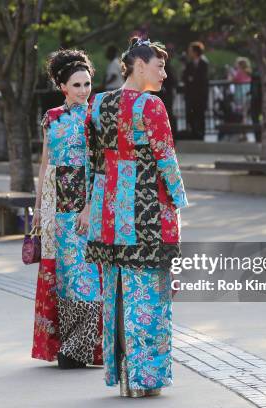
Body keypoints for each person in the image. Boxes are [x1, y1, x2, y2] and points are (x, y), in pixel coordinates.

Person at [86, 38, 188, 398]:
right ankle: (147, 378)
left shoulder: (97, 103)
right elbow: (166, 160)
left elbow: (94, 162)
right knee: (148, 296)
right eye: (159, 66)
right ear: (139, 66)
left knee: (115, 295)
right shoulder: (152, 105)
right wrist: (178, 202)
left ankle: (124, 376)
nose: (164, 72)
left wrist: (91, 205)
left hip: (109, 214)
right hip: (146, 213)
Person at [31, 49, 103, 370]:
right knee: (64, 278)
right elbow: (46, 162)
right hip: (56, 209)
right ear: (62, 85)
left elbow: (100, 166)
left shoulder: (96, 117)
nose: (84, 90)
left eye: (87, 83)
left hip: (86, 208)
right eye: (77, 85)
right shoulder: (52, 117)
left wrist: (90, 207)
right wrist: (37, 208)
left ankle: (82, 347)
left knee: (87, 277)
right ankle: (69, 346)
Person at [182, 41, 209, 139]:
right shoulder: (189, 64)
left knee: (200, 115)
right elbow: (185, 77)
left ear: (196, 52)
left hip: (200, 95)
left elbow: (202, 79)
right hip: (191, 95)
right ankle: (193, 134)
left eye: (191, 51)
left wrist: (192, 79)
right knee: (191, 115)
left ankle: (201, 135)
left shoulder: (204, 63)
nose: (189, 53)